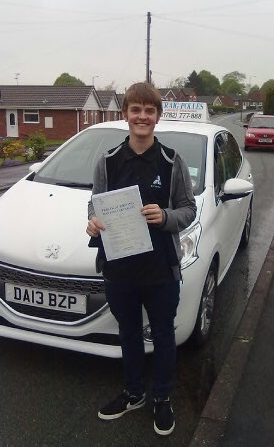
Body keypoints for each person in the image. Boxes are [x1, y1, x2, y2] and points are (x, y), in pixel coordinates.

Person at [86, 82, 196, 436]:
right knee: (129, 333)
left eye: (149, 111)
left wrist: (165, 217)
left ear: (158, 117)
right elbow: (94, 203)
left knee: (163, 335)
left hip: (161, 270)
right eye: (136, 110)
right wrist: (93, 223)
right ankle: (134, 393)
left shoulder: (172, 161)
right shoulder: (108, 161)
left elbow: (188, 210)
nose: (142, 116)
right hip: (119, 271)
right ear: (126, 114)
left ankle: (161, 399)